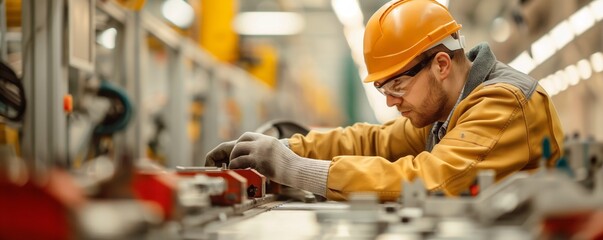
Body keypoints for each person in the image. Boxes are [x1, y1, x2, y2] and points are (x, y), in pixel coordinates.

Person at [205, 0, 564, 201]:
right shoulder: (445, 111)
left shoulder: (504, 103)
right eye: (383, 90)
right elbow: (374, 142)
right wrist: (282, 148)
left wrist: (295, 169)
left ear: (440, 65)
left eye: (398, 86)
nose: (391, 103)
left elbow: (430, 180)